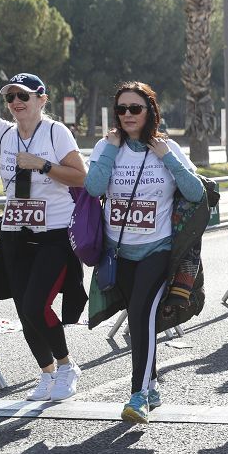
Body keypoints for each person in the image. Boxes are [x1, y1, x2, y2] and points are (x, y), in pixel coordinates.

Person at [85, 82, 206, 423]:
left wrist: (166, 156)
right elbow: (93, 188)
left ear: (150, 111)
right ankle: (151, 385)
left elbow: (196, 193)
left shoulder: (166, 147)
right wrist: (109, 150)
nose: (127, 115)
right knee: (141, 320)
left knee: (140, 316)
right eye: (121, 109)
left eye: (134, 108)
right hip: (119, 251)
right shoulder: (105, 146)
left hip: (158, 250)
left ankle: (138, 395)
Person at [0, 70, 87, 402]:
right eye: (10, 97)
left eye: (23, 96)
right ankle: (46, 373)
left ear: (41, 100)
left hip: (54, 235)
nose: (16, 102)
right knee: (22, 308)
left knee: (35, 304)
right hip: (15, 234)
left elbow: (80, 178)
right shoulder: (3, 134)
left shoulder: (56, 133)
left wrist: (42, 165)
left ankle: (67, 365)